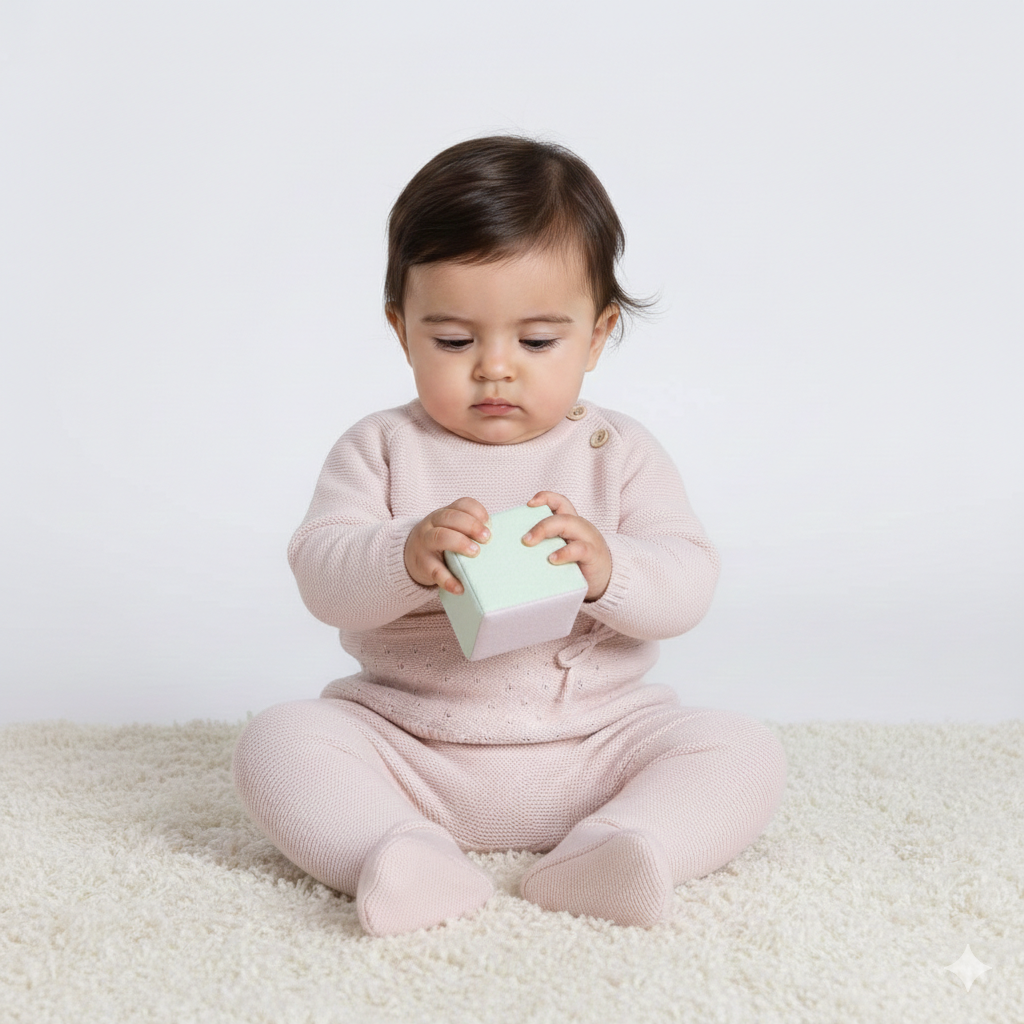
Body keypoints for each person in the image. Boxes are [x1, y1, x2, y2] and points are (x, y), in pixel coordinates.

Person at [232, 135, 787, 937]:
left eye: (536, 341)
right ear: (402, 329)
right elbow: (321, 570)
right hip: (413, 744)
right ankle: (398, 850)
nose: (495, 368)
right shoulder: (382, 447)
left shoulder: (618, 452)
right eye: (454, 341)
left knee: (739, 751)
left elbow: (689, 577)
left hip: (598, 745)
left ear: (597, 336)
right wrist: (404, 554)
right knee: (280, 742)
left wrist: (609, 569)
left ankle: (623, 845)